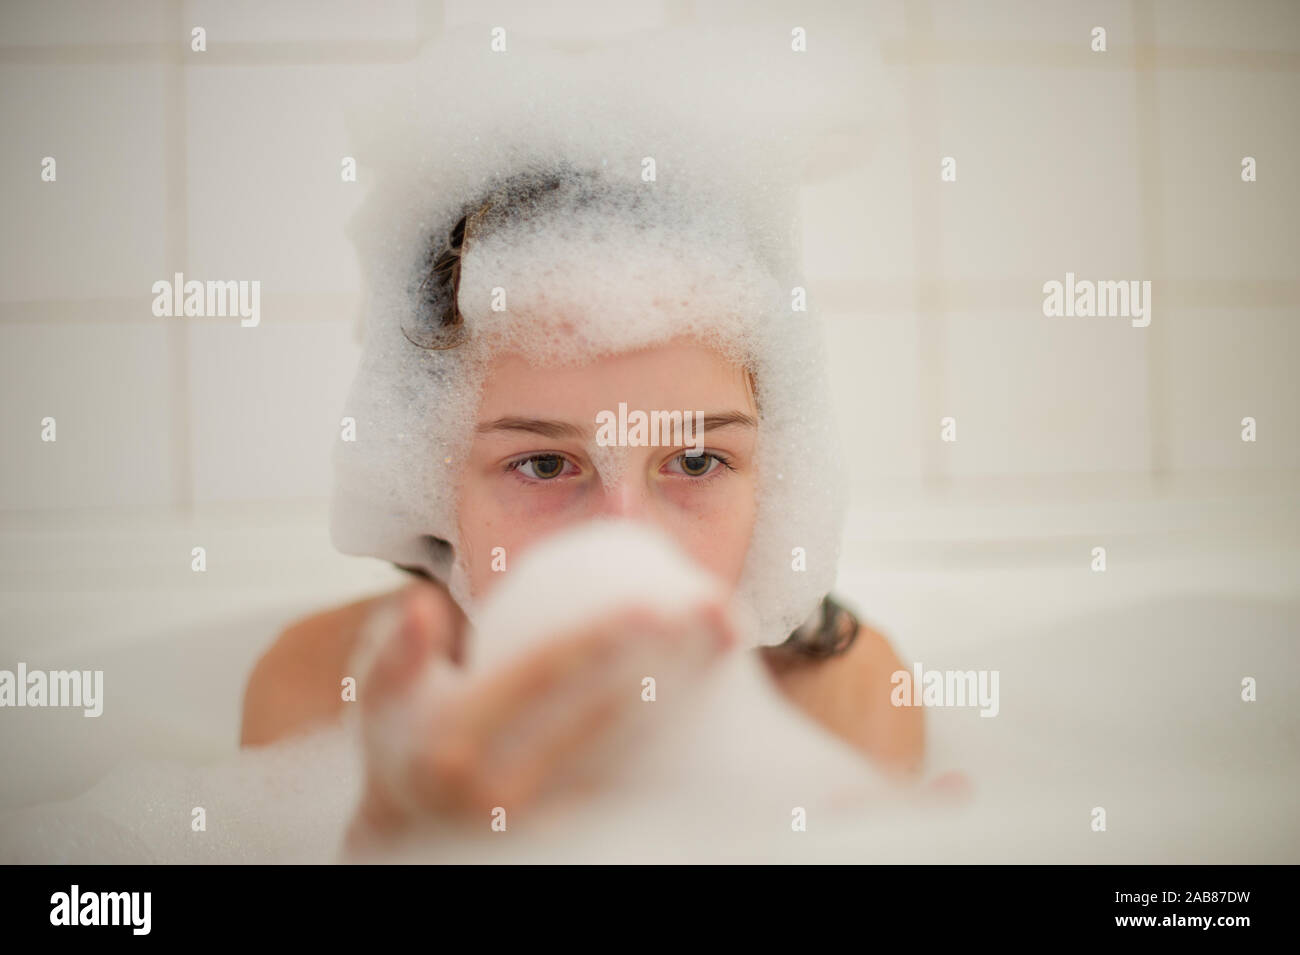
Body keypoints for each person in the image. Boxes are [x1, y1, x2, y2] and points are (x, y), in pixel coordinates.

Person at [240, 166, 929, 850]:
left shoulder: (844, 705)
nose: (625, 542)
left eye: (695, 461)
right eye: (543, 465)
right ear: (434, 481)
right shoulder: (325, 700)